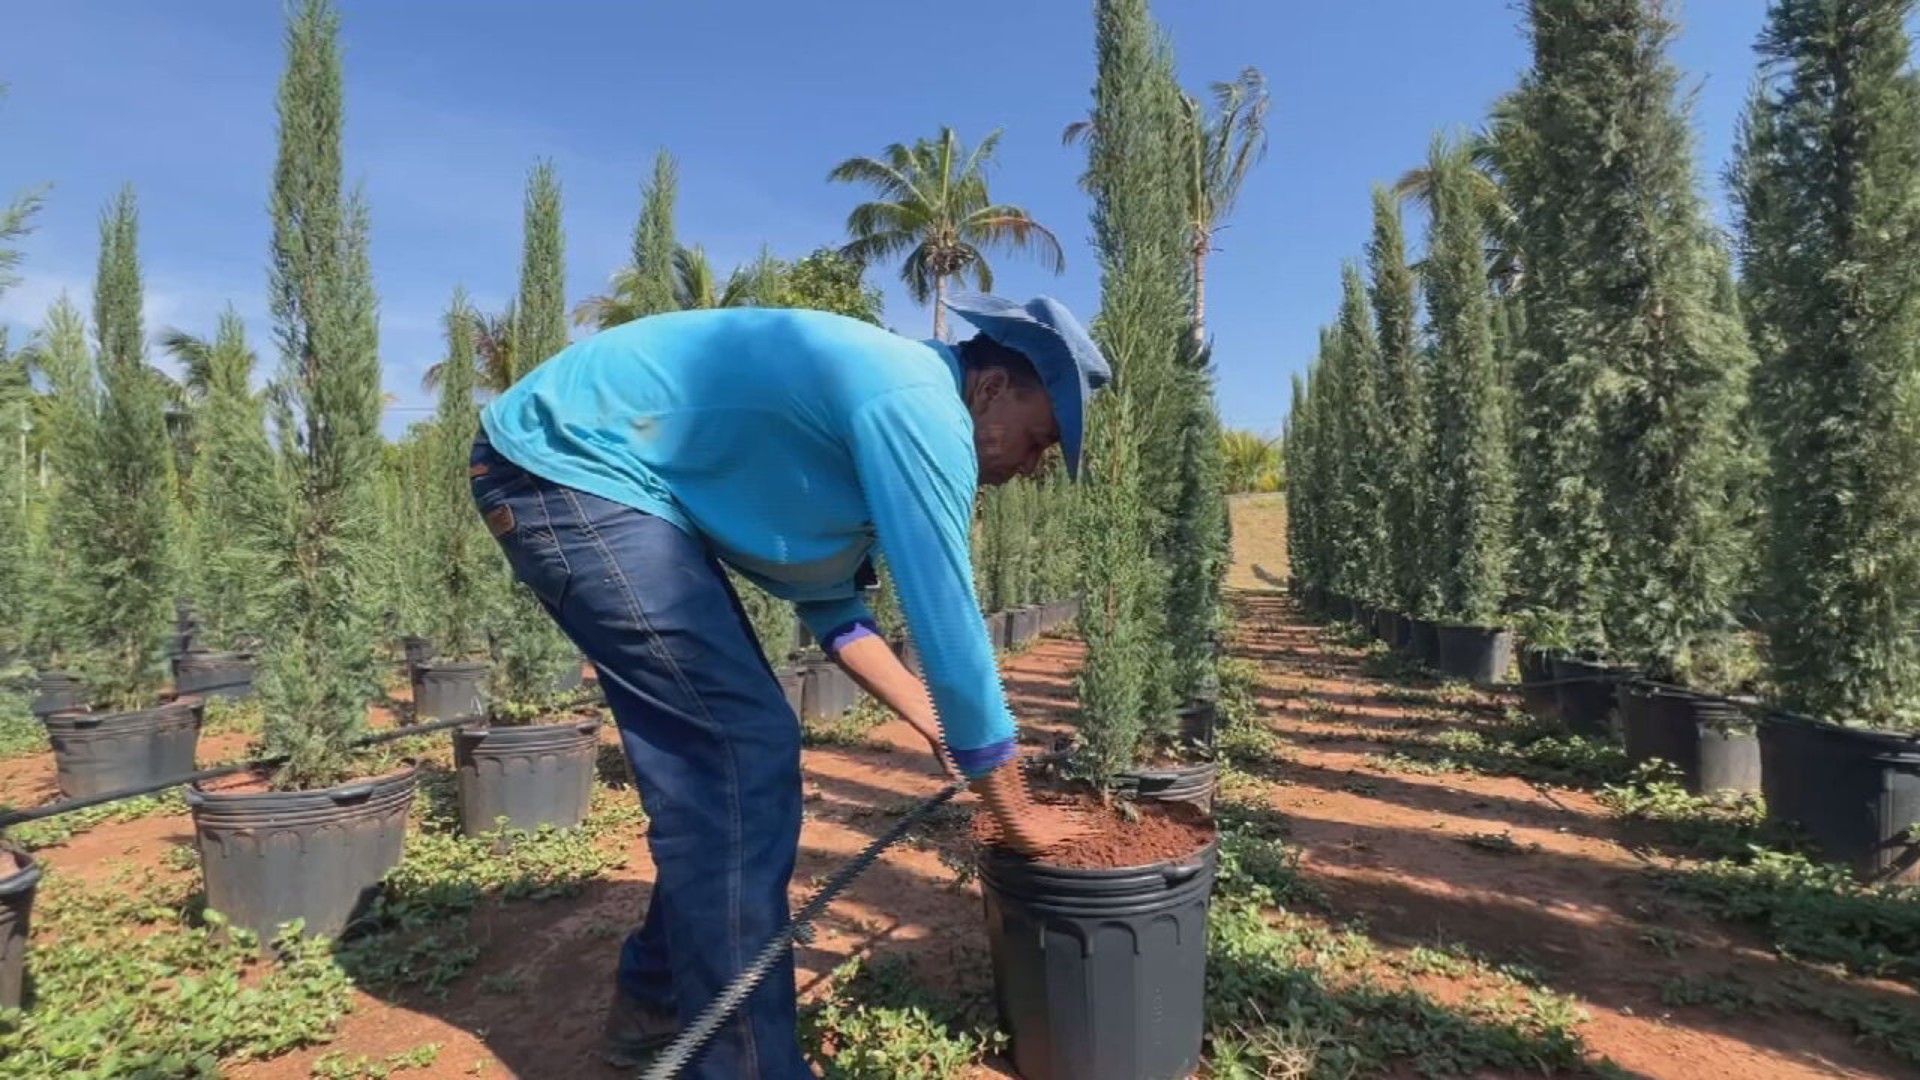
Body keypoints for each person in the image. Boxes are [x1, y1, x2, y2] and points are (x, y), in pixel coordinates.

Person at [469, 293, 1109, 1078]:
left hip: (585, 476)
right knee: (738, 757)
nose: (1031, 466)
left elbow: (837, 614)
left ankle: (658, 1013)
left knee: (734, 765)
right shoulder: (918, 401)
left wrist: (933, 726)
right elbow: (950, 621)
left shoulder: (872, 421)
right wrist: (1014, 809)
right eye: (1040, 436)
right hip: (569, 466)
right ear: (990, 389)